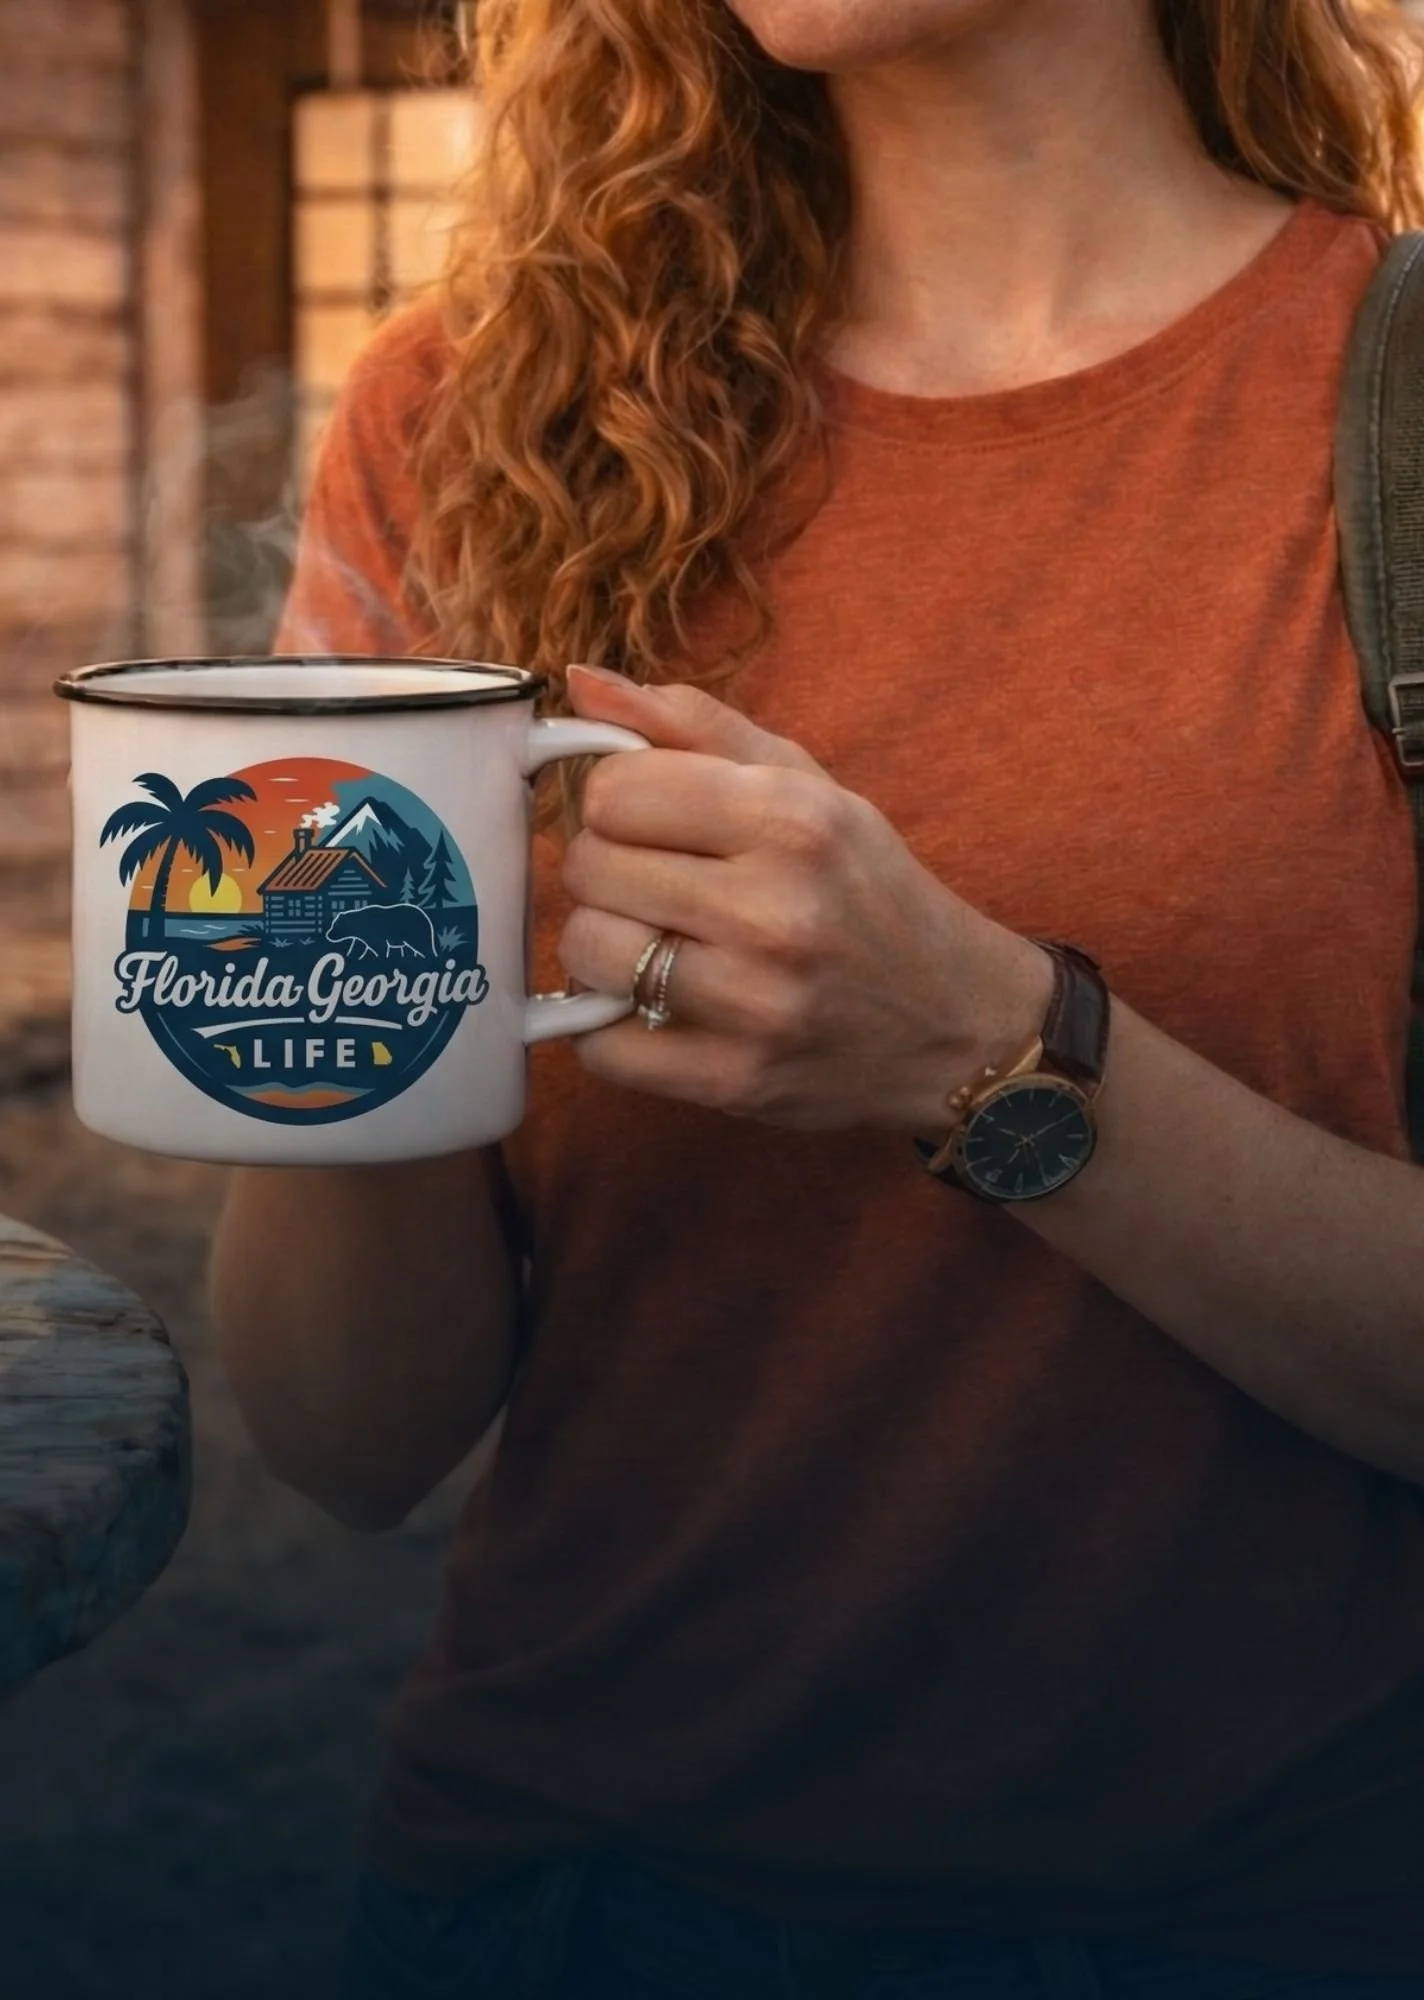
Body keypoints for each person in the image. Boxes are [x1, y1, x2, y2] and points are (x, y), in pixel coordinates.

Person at [208, 0, 1424, 1992]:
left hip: (1262, 1910)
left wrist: (977, 1049)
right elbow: (346, 1436)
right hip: (551, 1899)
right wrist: (310, 1023)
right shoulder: (461, 422)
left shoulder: (1393, 420)